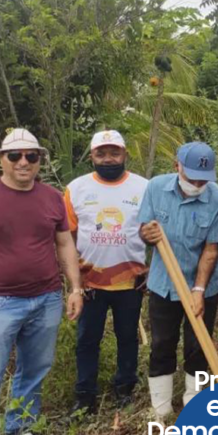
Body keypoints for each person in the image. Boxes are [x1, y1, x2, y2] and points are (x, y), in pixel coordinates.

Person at [0, 129, 83, 435]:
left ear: (39, 160)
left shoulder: (52, 198)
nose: (23, 162)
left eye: (31, 156)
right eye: (14, 155)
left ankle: (21, 428)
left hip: (45, 299)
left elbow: (64, 243)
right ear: (0, 160)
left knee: (35, 369)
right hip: (0, 300)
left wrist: (75, 288)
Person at [138, 141, 218, 416]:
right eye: (192, 177)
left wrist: (198, 289)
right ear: (177, 165)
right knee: (162, 342)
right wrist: (147, 234)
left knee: (197, 344)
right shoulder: (155, 187)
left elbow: (212, 249)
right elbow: (144, 228)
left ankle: (193, 401)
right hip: (163, 285)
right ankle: (161, 406)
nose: (197, 183)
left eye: (203, 179)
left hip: (203, 286)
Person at [64, 129, 149, 414]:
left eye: (115, 152)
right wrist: (76, 281)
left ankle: (125, 388)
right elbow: (67, 239)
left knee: (128, 337)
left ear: (125, 154)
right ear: (92, 157)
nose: (108, 159)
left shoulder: (143, 187)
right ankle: (85, 395)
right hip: (91, 283)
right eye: (101, 153)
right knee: (87, 340)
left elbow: (154, 232)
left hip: (131, 282)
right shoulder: (76, 189)